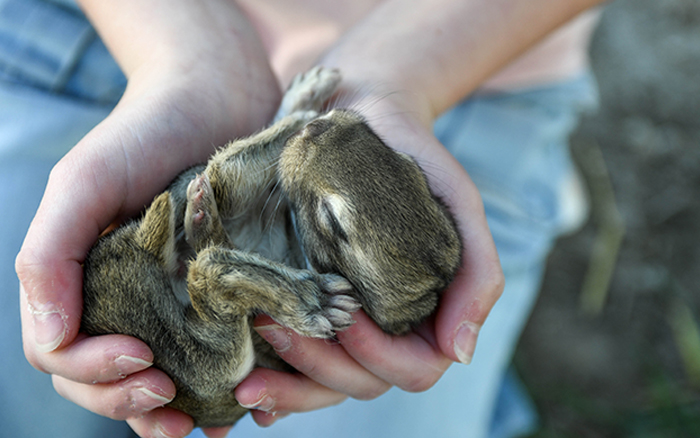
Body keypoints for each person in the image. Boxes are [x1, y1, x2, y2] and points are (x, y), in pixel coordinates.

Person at [3, 0, 604, 437]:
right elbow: (325, 142)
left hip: (459, 68)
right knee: (33, 396)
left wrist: (394, 83)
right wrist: (197, 60)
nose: (326, 131)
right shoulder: (333, 139)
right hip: (88, 28)